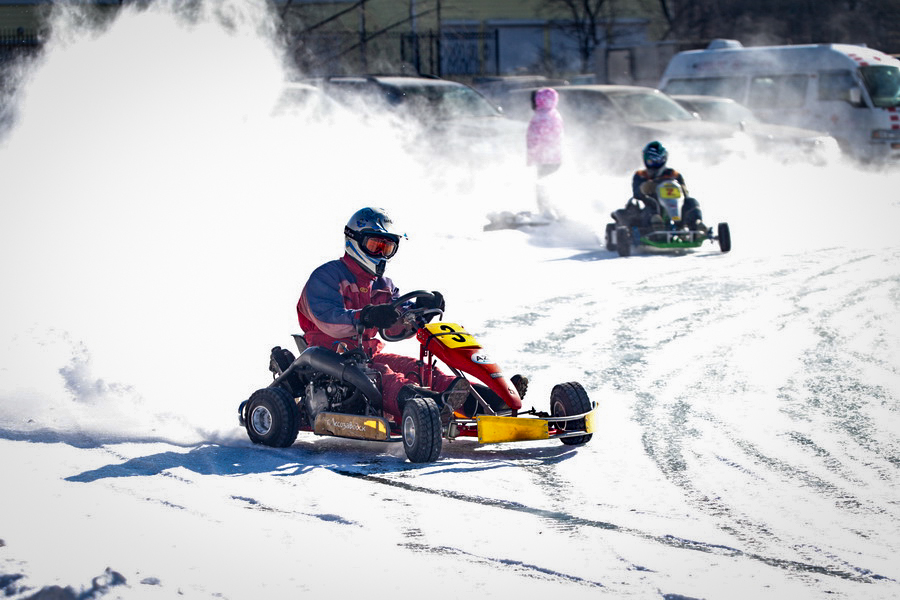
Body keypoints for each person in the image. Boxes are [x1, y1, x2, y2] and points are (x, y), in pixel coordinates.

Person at [296, 207, 527, 423]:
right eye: (376, 246)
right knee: (383, 376)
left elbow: (395, 325)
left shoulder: (383, 284)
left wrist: (419, 314)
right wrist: (365, 316)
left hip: (367, 355)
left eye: (387, 248)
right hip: (330, 358)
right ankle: (433, 408)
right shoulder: (327, 276)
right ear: (354, 240)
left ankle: (491, 401)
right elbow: (327, 319)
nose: (381, 254)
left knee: (420, 369)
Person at [613, 141, 706, 232]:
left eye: (658, 160)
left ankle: (696, 224)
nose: (654, 164)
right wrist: (645, 188)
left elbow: (685, 194)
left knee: (691, 202)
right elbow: (636, 193)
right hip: (651, 205)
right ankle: (656, 226)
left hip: (674, 204)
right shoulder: (641, 175)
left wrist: (681, 188)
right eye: (651, 161)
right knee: (650, 209)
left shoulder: (673, 174)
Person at [526, 87, 564, 218]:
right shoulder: (555, 114)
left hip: (543, 158)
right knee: (551, 184)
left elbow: (533, 140)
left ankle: (546, 213)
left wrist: (530, 158)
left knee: (541, 186)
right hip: (556, 158)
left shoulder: (539, 117)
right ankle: (556, 210)